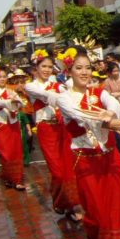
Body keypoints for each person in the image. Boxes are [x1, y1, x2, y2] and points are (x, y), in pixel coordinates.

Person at [57, 48, 120, 239]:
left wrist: (111, 113)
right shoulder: (63, 97)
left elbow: (113, 102)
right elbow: (77, 115)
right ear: (69, 71)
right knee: (95, 212)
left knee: (115, 210)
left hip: (109, 159)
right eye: (78, 68)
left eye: (87, 67)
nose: (84, 72)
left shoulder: (98, 92)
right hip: (84, 161)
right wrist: (105, 119)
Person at [24, 49, 82, 220]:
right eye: (44, 66)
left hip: (62, 128)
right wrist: (61, 94)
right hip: (46, 129)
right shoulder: (31, 86)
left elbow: (70, 91)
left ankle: (70, 204)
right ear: (36, 67)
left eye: (50, 66)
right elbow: (46, 95)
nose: (47, 70)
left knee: (67, 167)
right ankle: (61, 201)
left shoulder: (58, 84)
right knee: (57, 170)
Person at [0, 66, 26, 190]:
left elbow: (22, 103)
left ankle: (17, 179)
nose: (2, 79)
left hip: (12, 122)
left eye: (4, 76)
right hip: (0, 123)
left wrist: (15, 100)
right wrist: (11, 101)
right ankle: (9, 176)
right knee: (6, 152)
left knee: (16, 150)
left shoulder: (10, 90)